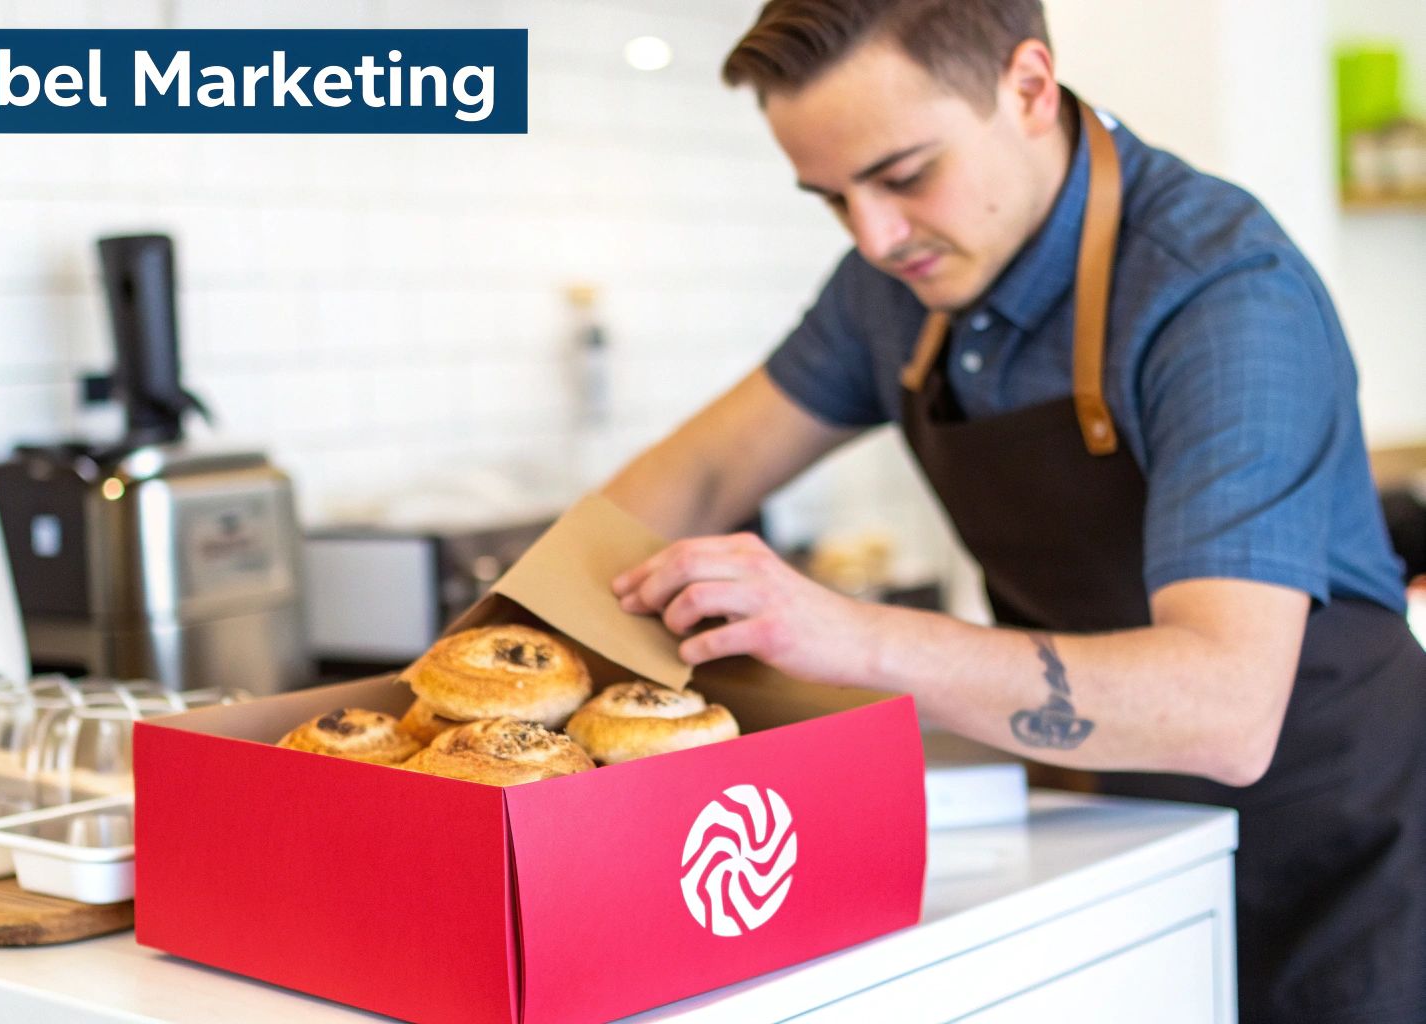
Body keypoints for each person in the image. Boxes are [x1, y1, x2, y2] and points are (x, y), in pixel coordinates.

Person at [601, 2, 1426, 1022]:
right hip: (1107, 824)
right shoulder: (888, 287)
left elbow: (1223, 709)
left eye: (903, 175)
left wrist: (845, 634)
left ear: (1028, 87)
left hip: (1336, 856)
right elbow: (692, 474)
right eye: (830, 198)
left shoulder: (1216, 290)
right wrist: (495, 649)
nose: (872, 234)